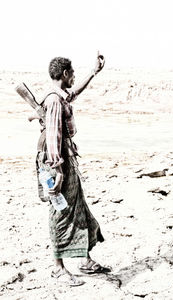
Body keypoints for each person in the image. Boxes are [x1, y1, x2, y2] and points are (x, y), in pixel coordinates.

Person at [35, 53, 110, 286]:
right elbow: (53, 136)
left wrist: (93, 72)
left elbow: (74, 92)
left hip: (64, 159)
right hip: (56, 162)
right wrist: (56, 170)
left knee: (78, 207)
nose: (74, 77)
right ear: (65, 74)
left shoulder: (60, 96)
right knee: (60, 211)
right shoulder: (55, 101)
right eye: (73, 73)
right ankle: (58, 268)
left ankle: (85, 259)